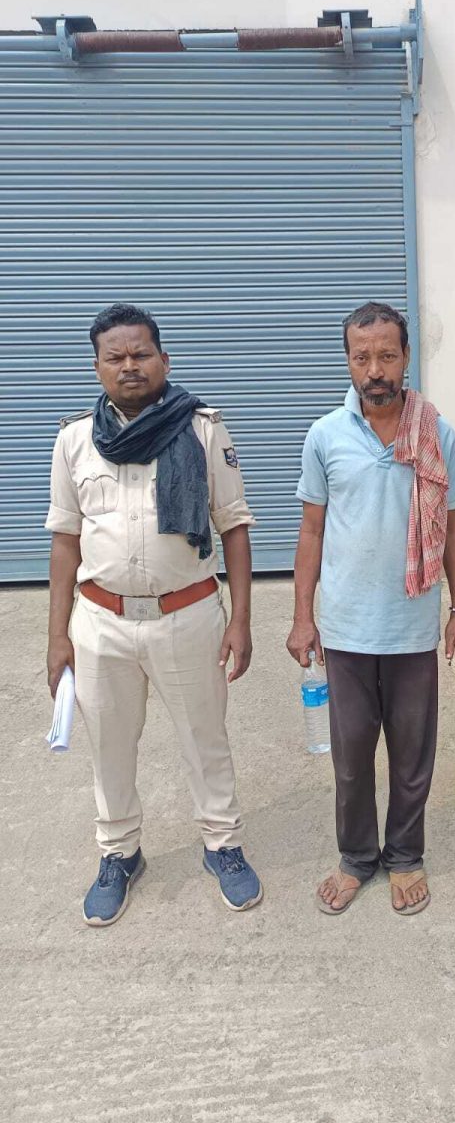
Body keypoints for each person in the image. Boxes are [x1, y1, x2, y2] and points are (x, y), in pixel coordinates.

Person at [45, 303, 262, 926]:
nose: (129, 365)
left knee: (204, 739)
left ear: (164, 360)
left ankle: (222, 844)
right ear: (98, 368)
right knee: (110, 746)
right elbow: (64, 540)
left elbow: (234, 527)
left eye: (141, 354)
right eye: (115, 357)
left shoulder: (203, 429)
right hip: (101, 623)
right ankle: (119, 853)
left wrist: (241, 620)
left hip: (188, 617)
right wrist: (57, 637)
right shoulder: (74, 440)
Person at [286, 302, 455, 916]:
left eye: (387, 355)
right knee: (351, 759)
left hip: (413, 626)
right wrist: (303, 616)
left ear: (406, 357)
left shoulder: (438, 434)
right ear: (347, 361)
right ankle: (357, 858)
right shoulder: (325, 436)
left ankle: (406, 856)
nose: (375, 370)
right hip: (346, 628)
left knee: (413, 757)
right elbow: (312, 530)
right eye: (362, 357)